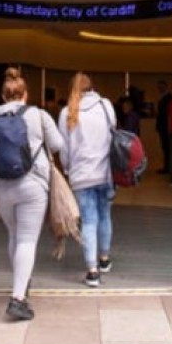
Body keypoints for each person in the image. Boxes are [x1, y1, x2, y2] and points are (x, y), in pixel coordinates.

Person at [0, 67, 64, 321]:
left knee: (14, 235)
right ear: (25, 94)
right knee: (27, 240)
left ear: (3, 95)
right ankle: (18, 298)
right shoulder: (38, 115)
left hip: (1, 186)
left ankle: (21, 282)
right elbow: (58, 145)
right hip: (32, 185)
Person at [58, 71, 116, 288]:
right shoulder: (105, 106)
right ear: (92, 87)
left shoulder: (66, 112)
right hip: (105, 173)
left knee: (89, 221)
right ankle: (104, 259)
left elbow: (63, 148)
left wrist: (67, 169)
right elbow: (113, 134)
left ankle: (92, 271)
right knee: (105, 215)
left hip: (81, 176)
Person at [155, 79, 172, 175]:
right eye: (159, 87)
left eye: (161, 87)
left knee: (167, 148)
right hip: (163, 126)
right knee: (165, 147)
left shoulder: (168, 98)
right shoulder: (162, 97)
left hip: (166, 126)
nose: (160, 89)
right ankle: (167, 167)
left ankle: (168, 167)